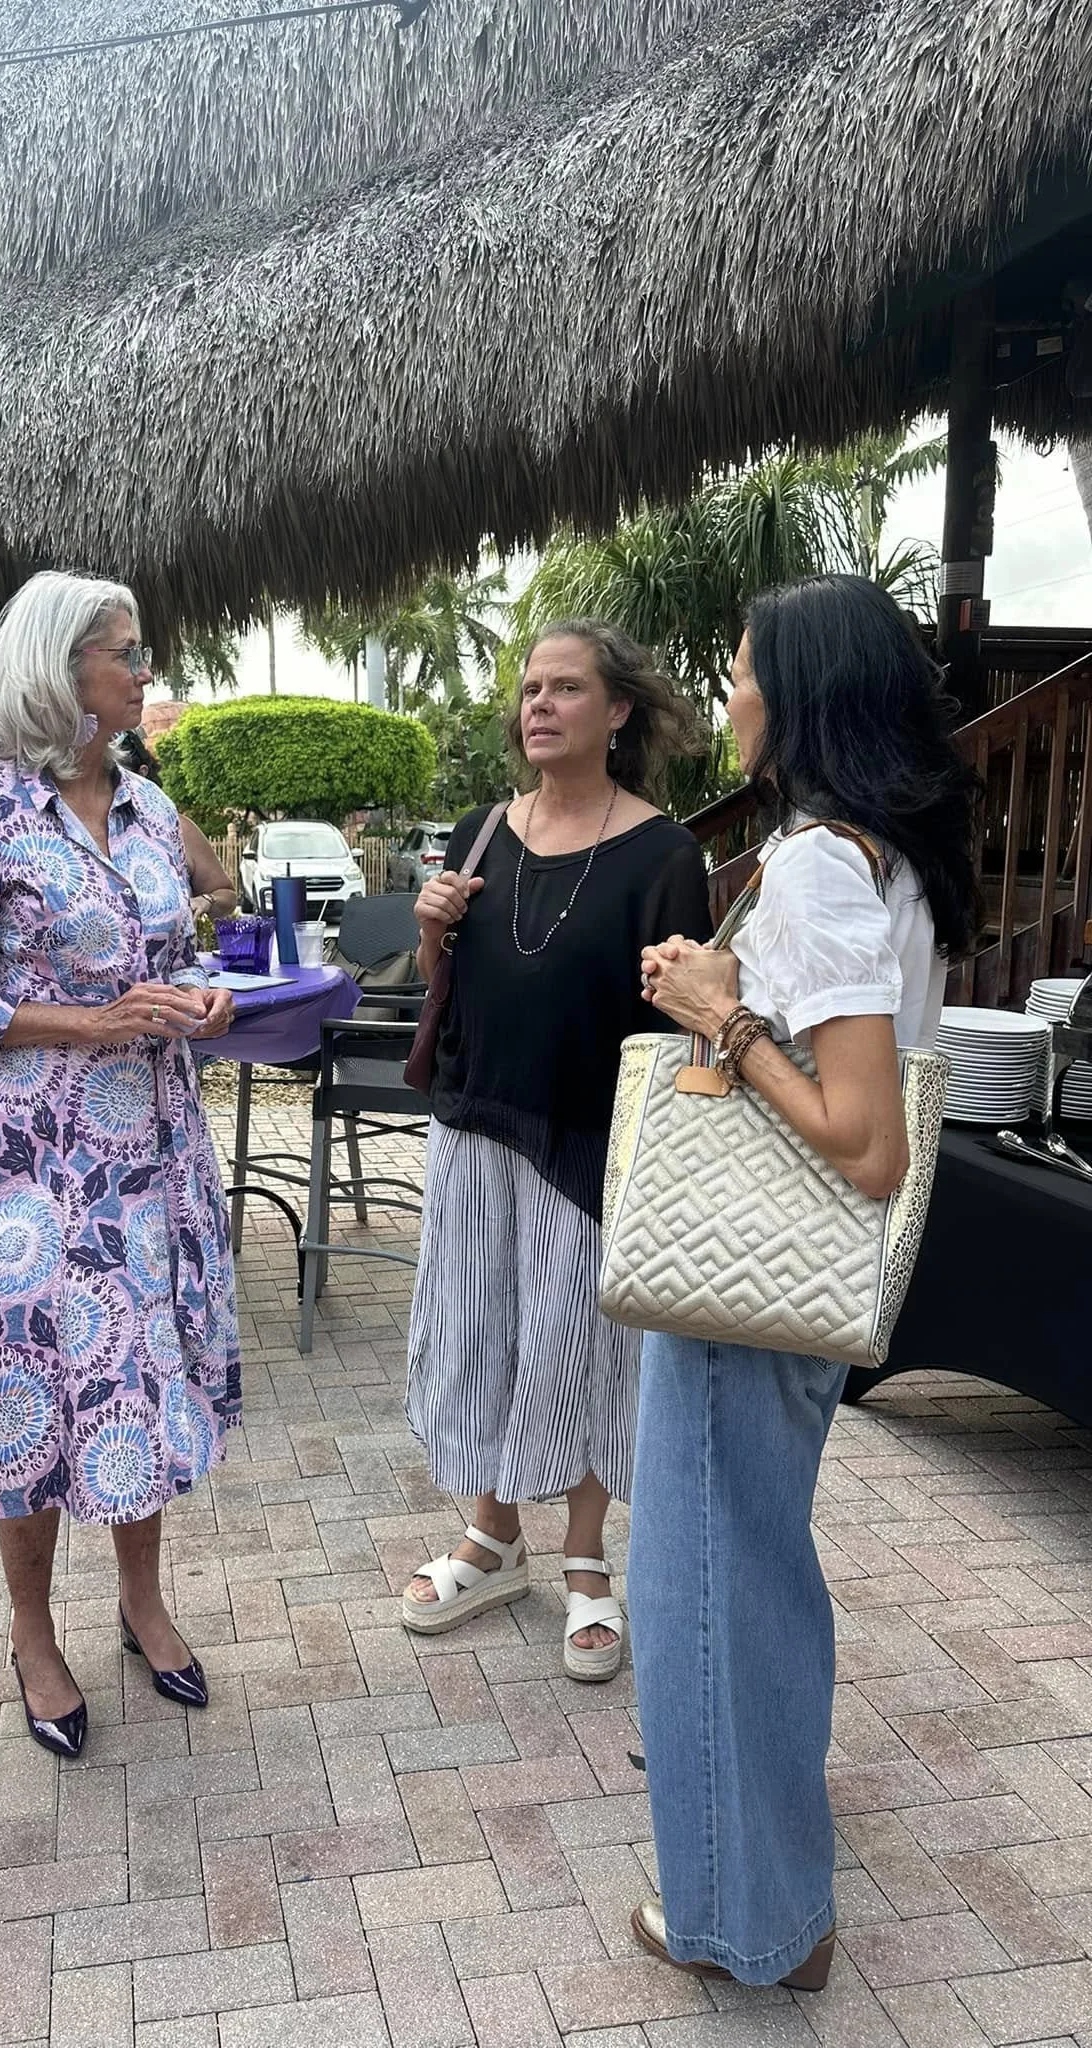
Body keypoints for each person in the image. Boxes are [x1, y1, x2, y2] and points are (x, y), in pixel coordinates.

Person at [629, 575, 978, 1990]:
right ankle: (771, 1896)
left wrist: (722, 1014)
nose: (729, 697)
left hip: (741, 1300)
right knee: (753, 1579)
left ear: (803, 693)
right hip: (786, 1302)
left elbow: (865, 1139)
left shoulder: (824, 862)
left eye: (744, 671)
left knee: (707, 1594)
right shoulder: (882, 855)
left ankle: (753, 1927)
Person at [0, 572, 241, 1758]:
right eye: (126, 654)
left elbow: (174, 946)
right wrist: (87, 1022)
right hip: (26, 1156)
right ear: (58, 668)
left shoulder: (141, 802)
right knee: (26, 1378)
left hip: (152, 1142)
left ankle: (141, 1602)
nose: (145, 673)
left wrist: (199, 1000)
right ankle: (31, 1630)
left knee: (142, 1371)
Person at [400, 620, 712, 1681]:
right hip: (477, 1123)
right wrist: (435, 925)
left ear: (617, 711)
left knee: (579, 1349)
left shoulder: (666, 853)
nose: (538, 704)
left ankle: (585, 1559)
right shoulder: (485, 830)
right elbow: (440, 981)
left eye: (566, 687)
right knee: (483, 1333)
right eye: (530, 687)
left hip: (589, 1143)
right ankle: (491, 1539)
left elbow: (679, 1023)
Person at [110, 728, 237, 921]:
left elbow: (226, 894)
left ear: (141, 773)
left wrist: (206, 900)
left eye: (117, 773)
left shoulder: (175, 827)